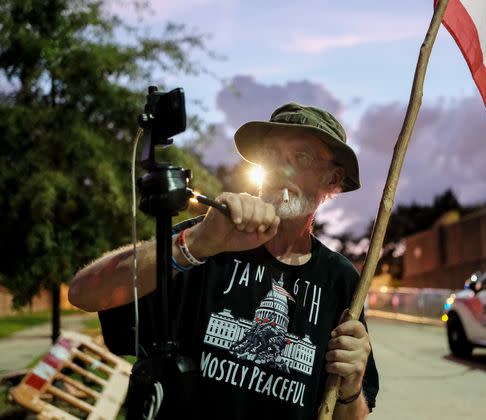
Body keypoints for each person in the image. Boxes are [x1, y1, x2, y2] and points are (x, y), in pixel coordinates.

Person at [69, 102, 379, 419]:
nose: (280, 170)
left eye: (301, 157)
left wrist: (351, 384)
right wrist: (197, 244)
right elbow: (83, 292)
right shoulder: (208, 240)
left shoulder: (339, 279)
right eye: (272, 155)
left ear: (332, 179)